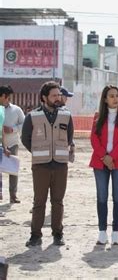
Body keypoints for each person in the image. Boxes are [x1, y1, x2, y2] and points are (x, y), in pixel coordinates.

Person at [21, 81, 74, 247]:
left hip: (60, 165)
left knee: (58, 201)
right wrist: (38, 151)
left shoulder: (66, 115)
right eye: (54, 95)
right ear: (44, 97)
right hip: (41, 165)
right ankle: (35, 235)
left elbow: (69, 137)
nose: (58, 98)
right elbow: (25, 138)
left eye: (59, 95)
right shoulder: (32, 116)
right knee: (39, 202)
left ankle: (58, 234)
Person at [89, 85, 118, 245]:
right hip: (100, 162)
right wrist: (104, 157)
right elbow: (93, 139)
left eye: (117, 96)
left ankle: (116, 232)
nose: (115, 99)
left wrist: (112, 157)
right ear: (105, 99)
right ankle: (102, 232)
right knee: (101, 197)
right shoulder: (98, 115)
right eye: (112, 96)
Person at [0, 85, 25, 204]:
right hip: (1, 144)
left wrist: (13, 129)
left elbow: (24, 124)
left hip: (13, 143)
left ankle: (13, 195)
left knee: (13, 170)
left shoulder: (16, 110)